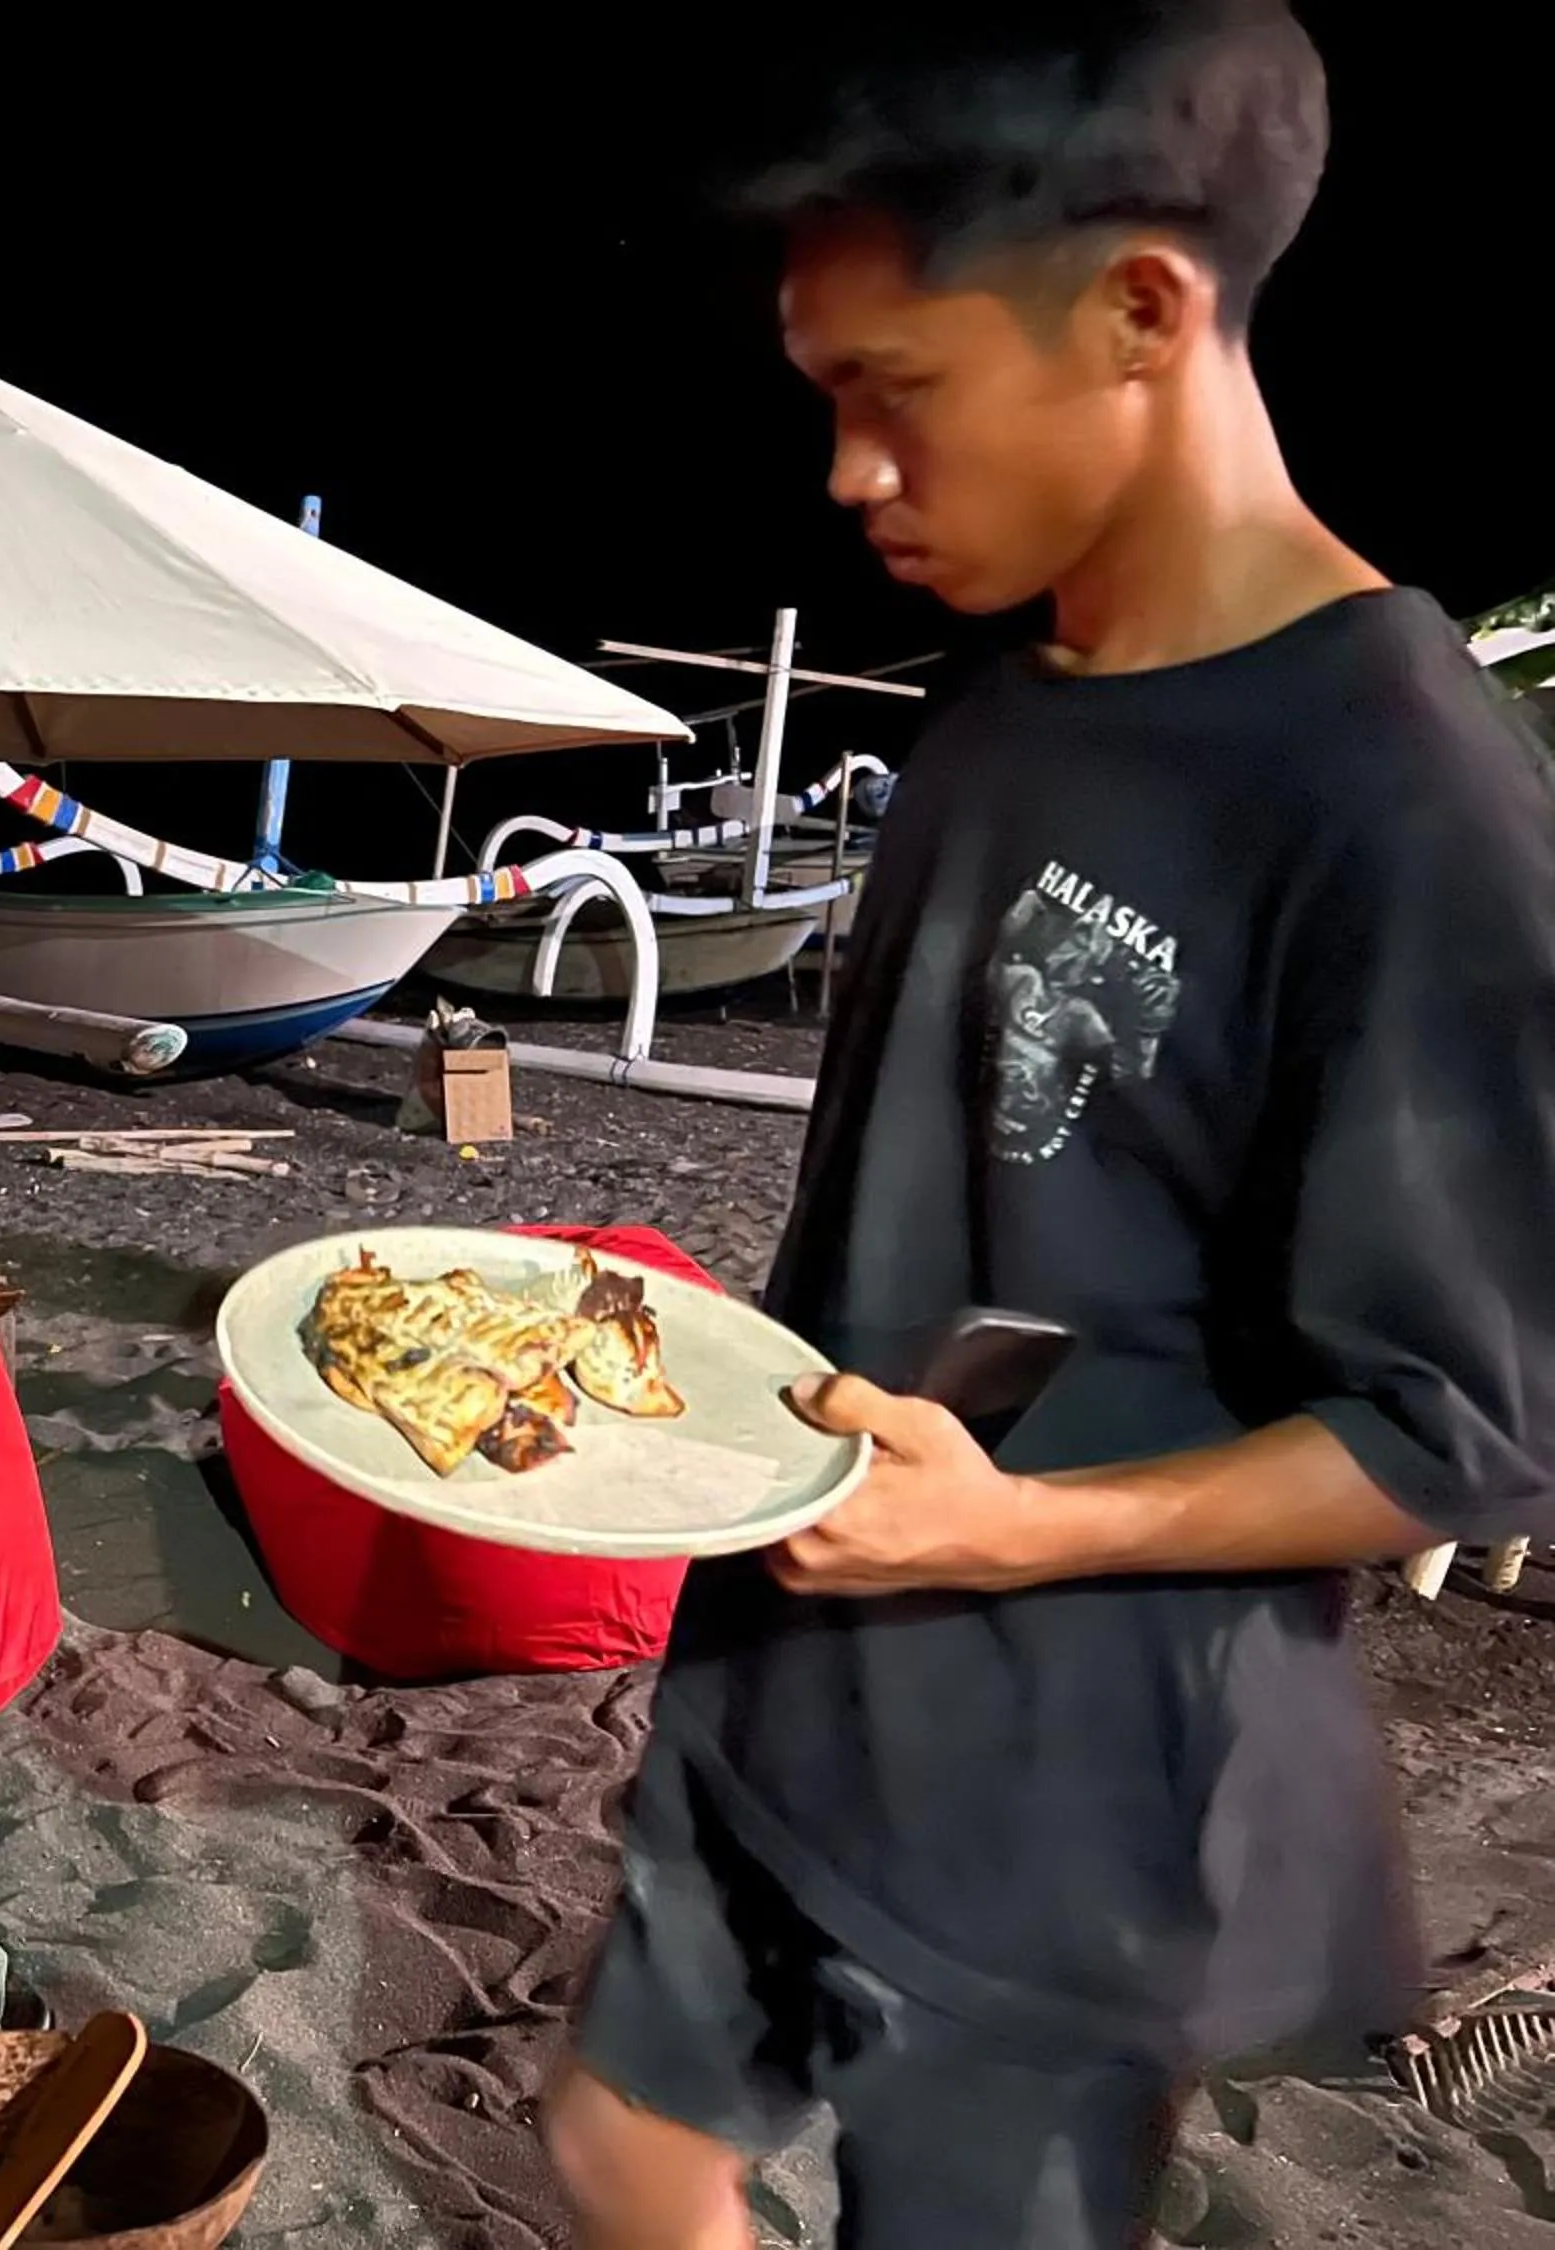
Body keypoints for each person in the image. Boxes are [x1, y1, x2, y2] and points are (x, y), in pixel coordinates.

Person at [542, 10, 1555, 2247]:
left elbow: (1462, 1431)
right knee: (621, 2152)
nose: (848, 474)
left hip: (1074, 1783)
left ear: (1140, 311)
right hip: (801, 1657)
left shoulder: (1401, 790)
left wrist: (1009, 1533)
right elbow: (959, 1191)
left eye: (892, 389)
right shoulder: (996, 704)